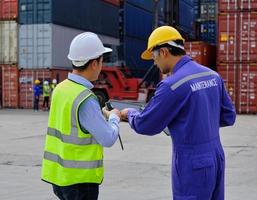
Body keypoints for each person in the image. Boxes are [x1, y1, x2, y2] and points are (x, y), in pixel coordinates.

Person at [120, 26, 236, 200]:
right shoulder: (212, 76)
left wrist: (128, 114)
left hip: (192, 163)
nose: (154, 62)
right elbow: (229, 116)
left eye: (154, 56)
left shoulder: (172, 85)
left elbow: (146, 124)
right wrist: (198, 121)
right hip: (216, 157)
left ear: (164, 52)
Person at [41, 32, 121, 200]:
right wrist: (114, 117)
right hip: (80, 182)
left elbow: (73, 122)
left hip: (60, 177)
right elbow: (108, 138)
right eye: (101, 61)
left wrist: (99, 115)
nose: (101, 66)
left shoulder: (61, 89)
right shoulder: (85, 99)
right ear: (94, 63)